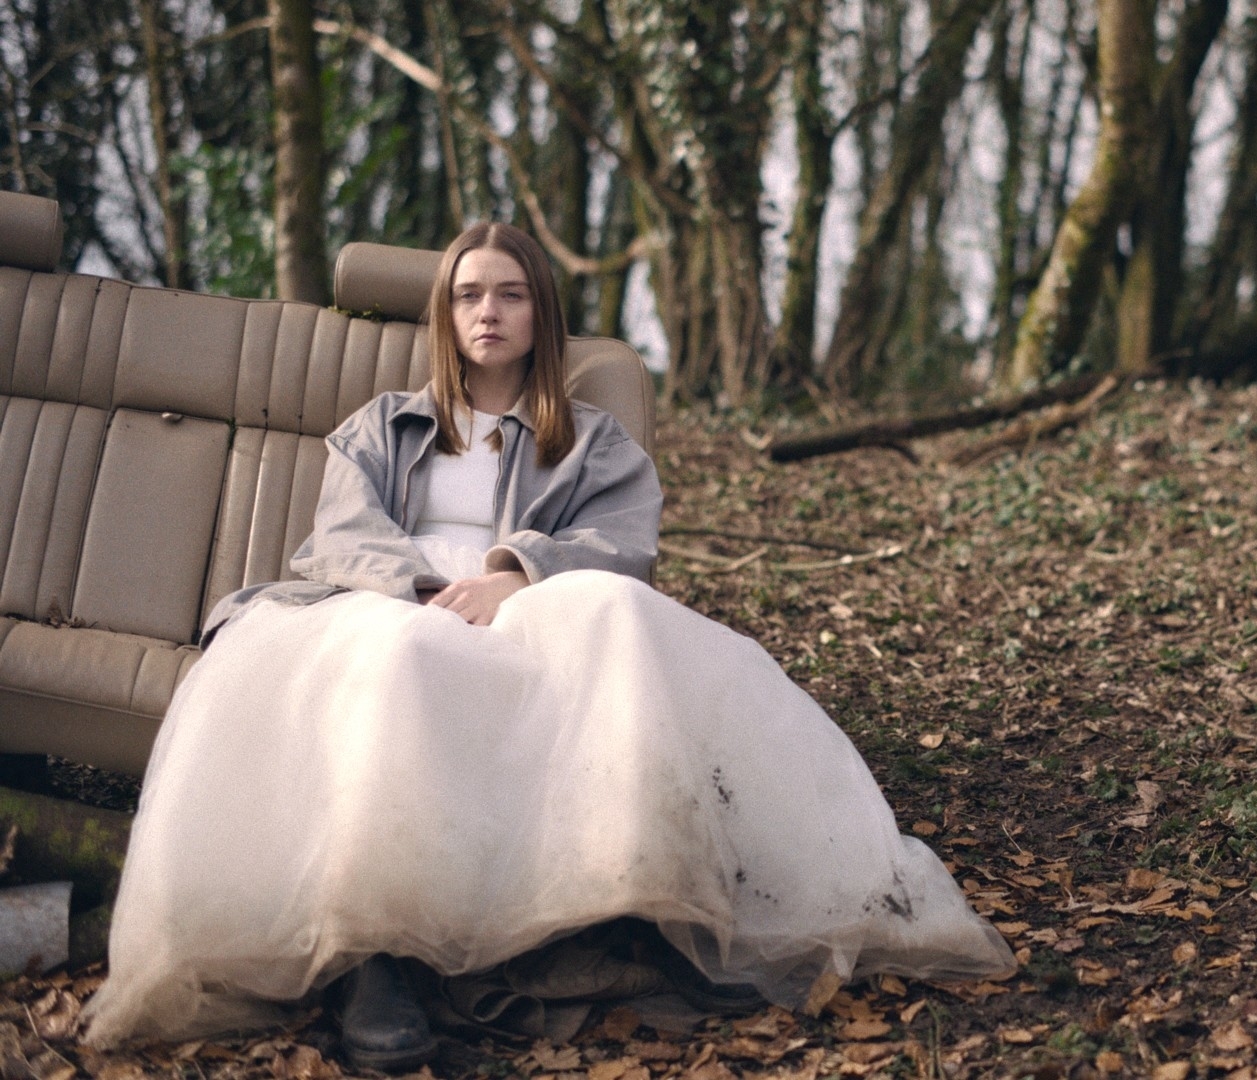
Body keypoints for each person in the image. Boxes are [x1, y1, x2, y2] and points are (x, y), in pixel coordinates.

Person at [82, 223, 1013, 1067]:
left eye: (510, 293)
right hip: (385, 605)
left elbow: (624, 544)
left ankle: (650, 908)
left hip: (532, 604)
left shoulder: (594, 442)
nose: (488, 311)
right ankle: (373, 955)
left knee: (612, 614)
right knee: (397, 656)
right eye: (468, 294)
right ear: (445, 314)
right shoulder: (380, 427)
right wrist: (424, 593)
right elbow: (343, 537)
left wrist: (514, 573)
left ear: (541, 313)